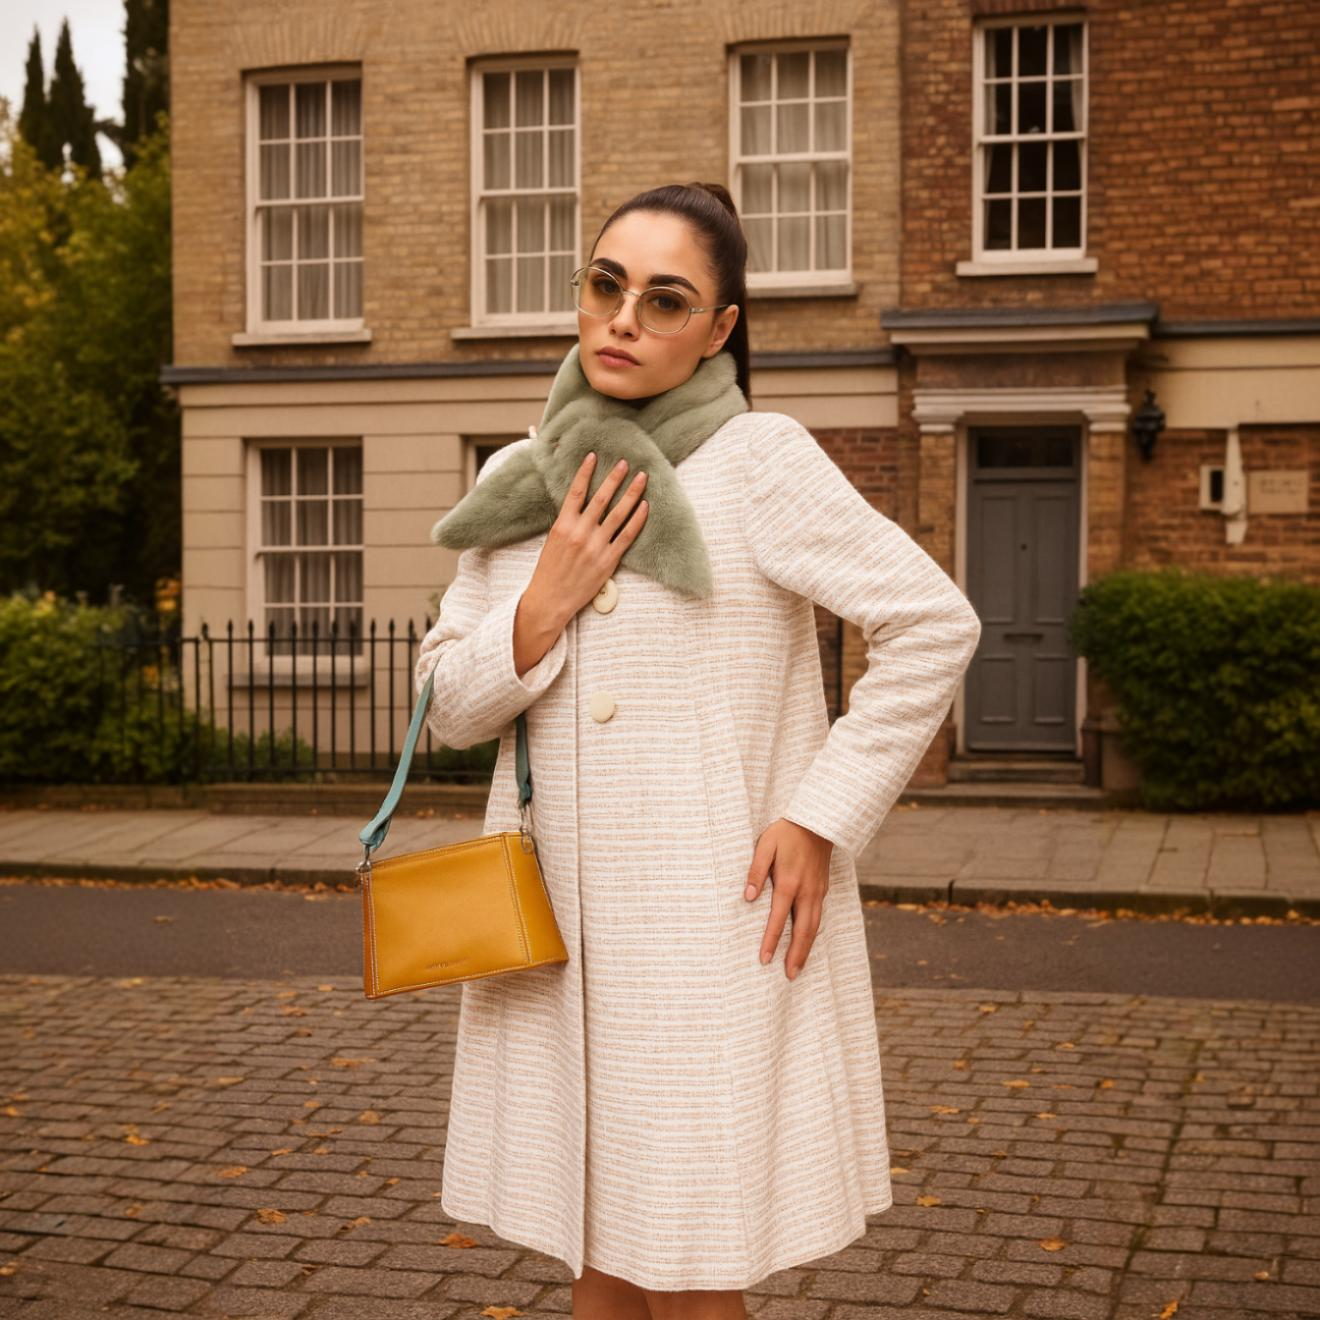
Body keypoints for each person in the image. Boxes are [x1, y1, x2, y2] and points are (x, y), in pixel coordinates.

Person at [416, 181, 983, 1319]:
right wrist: (543, 603)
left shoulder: (759, 460)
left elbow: (933, 623)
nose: (624, 317)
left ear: (720, 328)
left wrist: (822, 813)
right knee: (601, 1260)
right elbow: (443, 703)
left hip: (708, 937)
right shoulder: (517, 484)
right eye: (605, 285)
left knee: (690, 1264)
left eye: (664, 297)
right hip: (557, 936)